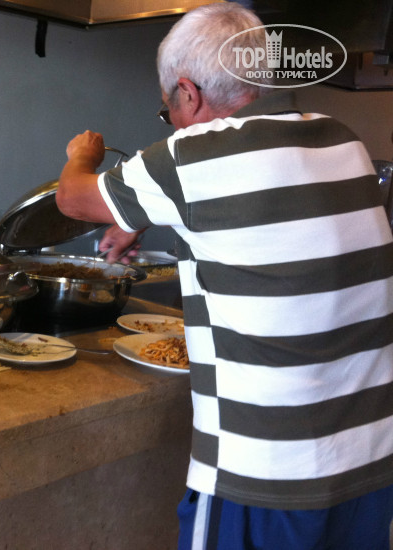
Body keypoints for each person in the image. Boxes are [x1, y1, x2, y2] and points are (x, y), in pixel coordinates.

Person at [55, 3, 393, 549]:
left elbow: (72, 199)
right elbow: (270, 224)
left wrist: (82, 154)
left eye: (168, 109)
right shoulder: (342, 141)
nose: (173, 122)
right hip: (369, 458)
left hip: (266, 469)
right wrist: (150, 219)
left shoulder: (193, 154)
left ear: (188, 93)